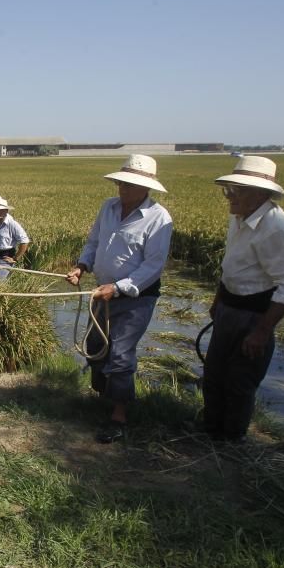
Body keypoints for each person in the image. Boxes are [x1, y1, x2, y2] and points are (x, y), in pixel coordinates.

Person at [65, 154, 173, 443]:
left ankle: (119, 416)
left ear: (146, 188)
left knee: (121, 353)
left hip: (135, 298)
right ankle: (104, 398)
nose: (122, 188)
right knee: (95, 345)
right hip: (103, 291)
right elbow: (94, 242)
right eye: (121, 182)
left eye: (129, 184)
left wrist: (120, 287)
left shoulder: (158, 218)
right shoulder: (109, 208)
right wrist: (82, 266)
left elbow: (153, 266)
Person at [202, 156, 284, 443]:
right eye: (228, 190)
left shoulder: (275, 227)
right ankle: (209, 429)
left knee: (239, 383)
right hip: (228, 309)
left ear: (259, 194)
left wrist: (261, 331)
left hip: (254, 316)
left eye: (236, 191)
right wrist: (218, 300)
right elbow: (231, 266)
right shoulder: (240, 217)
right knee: (213, 375)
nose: (229, 197)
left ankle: (231, 441)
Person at [0, 196, 30, 281]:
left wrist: (15, 259)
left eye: (1, 210)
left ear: (6, 211)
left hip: (5, 260)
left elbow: (25, 241)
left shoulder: (12, 224)